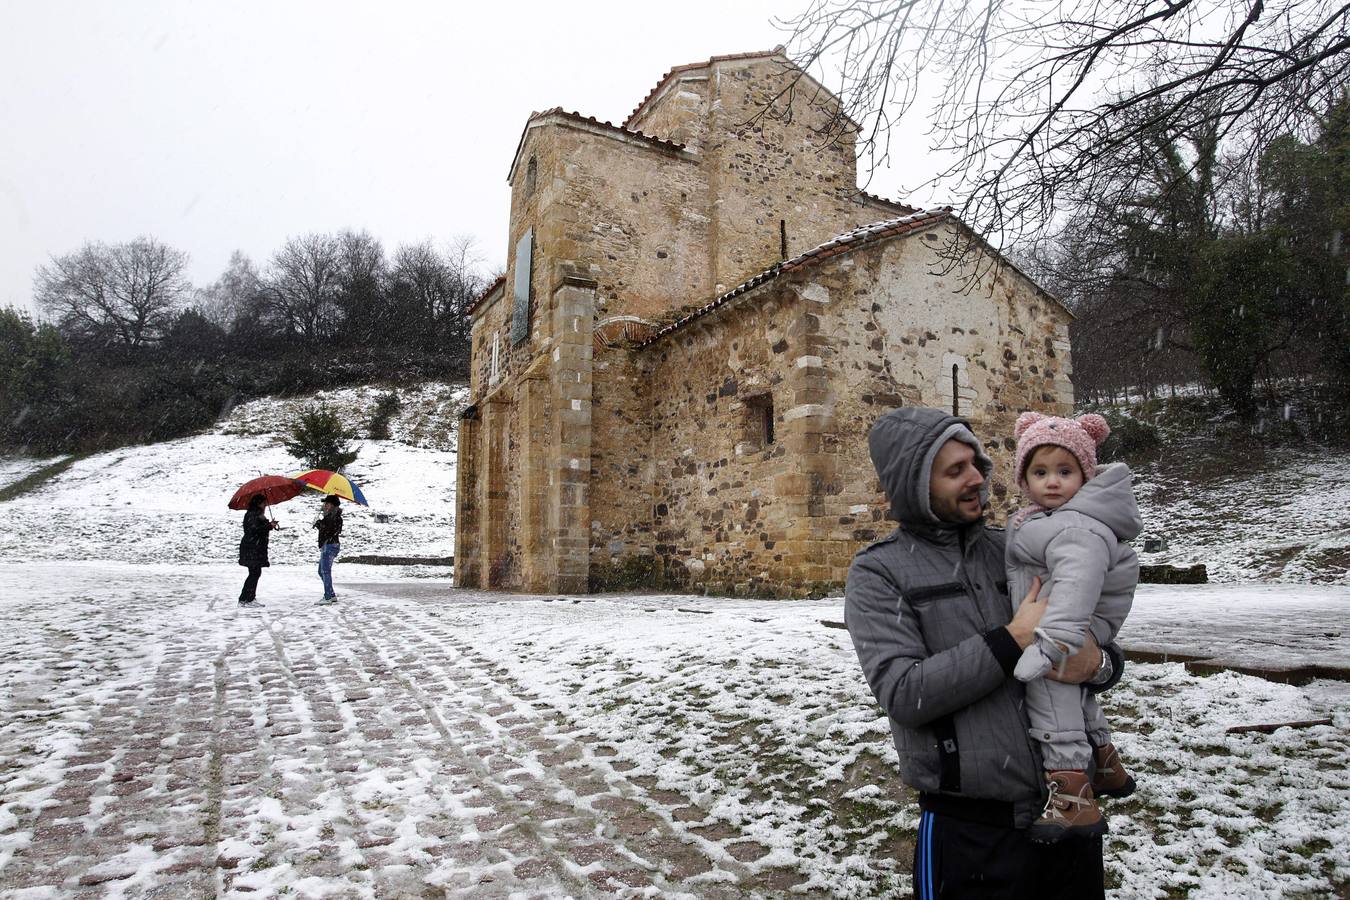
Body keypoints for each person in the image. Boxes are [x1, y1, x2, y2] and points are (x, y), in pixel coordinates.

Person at [845, 407, 1124, 899]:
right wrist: (1011, 639)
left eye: (975, 462)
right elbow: (904, 693)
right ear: (914, 485)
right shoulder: (879, 572)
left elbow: (1092, 631)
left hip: (1066, 813)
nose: (977, 477)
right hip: (971, 833)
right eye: (955, 470)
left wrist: (1100, 664)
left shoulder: (1015, 547)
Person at [1006, 412, 1141, 842]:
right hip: (1075, 625)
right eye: (1040, 472)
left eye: (1065, 472)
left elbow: (1076, 590)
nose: (1052, 482)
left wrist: (1048, 645)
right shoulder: (1056, 519)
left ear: (1085, 475)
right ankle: (1105, 763)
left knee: (1051, 693)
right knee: (1077, 692)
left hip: (1062, 631)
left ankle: (1072, 797)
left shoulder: (1075, 526)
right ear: (1024, 479)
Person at [238, 494, 277, 608]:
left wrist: (270, 524)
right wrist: (269, 526)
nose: (265, 506)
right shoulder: (253, 515)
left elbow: (258, 528)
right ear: (259, 504)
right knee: (254, 573)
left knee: (255, 573)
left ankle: (247, 598)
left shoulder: (257, 514)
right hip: (252, 548)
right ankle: (247, 599)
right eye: (264, 503)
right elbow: (254, 530)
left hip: (255, 548)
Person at [313, 494, 343, 605]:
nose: (325, 505)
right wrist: (320, 523)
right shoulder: (329, 516)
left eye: (327, 503)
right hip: (328, 545)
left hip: (330, 545)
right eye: (325, 503)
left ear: (333, 505)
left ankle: (328, 597)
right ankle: (331, 594)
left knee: (325, 571)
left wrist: (320, 524)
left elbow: (330, 530)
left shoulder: (335, 517)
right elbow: (326, 528)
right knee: (321, 571)